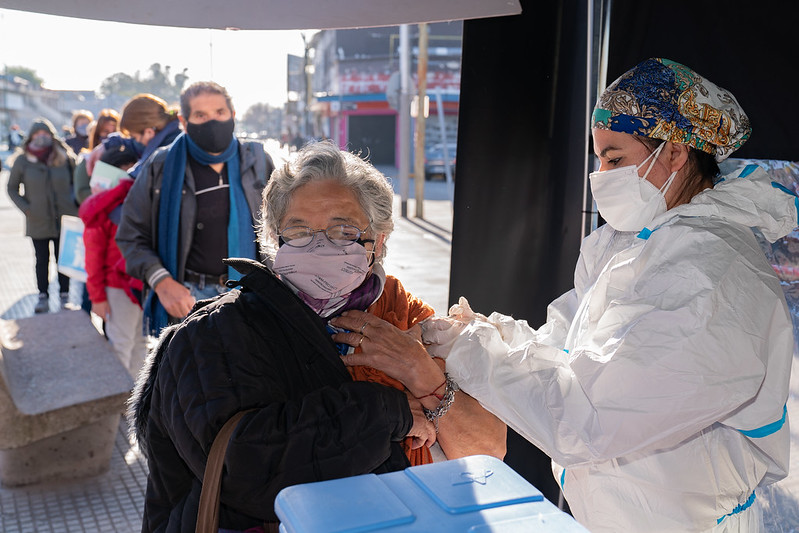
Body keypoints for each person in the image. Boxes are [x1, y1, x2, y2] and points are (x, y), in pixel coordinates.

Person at [336, 58, 796, 532]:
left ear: (676, 153)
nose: (601, 175)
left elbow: (588, 419)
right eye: (598, 159)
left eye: (614, 159)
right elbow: (564, 351)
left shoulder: (712, 275)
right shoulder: (630, 243)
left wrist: (465, 349)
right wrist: (482, 333)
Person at [128, 141, 504, 531]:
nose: (320, 246)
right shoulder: (213, 335)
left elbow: (488, 454)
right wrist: (387, 412)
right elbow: (246, 472)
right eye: (299, 230)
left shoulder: (409, 321)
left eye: (343, 230)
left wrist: (420, 370)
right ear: (274, 238)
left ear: (379, 239)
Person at [116, 81, 275, 336]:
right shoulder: (161, 165)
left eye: (220, 112)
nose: (212, 122)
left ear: (233, 114)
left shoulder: (257, 160)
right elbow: (130, 235)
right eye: (200, 115)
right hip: (188, 300)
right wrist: (162, 282)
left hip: (251, 296)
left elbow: (283, 228)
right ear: (184, 120)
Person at [79, 143, 147, 377]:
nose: (130, 175)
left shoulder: (139, 201)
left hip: (142, 285)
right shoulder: (102, 207)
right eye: (125, 169)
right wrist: (97, 297)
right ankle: (119, 397)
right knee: (122, 346)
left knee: (140, 345)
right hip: (118, 288)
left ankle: (137, 398)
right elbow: (93, 257)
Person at [6, 118, 79, 313]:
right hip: (37, 219)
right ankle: (42, 296)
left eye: (45, 133)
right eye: (37, 134)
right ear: (31, 137)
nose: (41, 137)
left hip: (65, 218)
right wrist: (27, 208)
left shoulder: (64, 157)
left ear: (52, 135)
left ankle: (65, 295)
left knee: (63, 259)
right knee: (42, 259)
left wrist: (76, 206)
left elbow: (77, 184)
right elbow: (12, 188)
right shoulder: (23, 160)